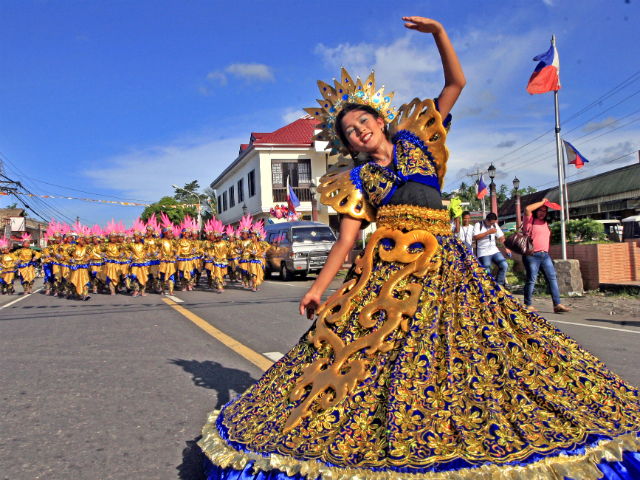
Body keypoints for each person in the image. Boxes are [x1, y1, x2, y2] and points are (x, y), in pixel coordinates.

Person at [197, 16, 640, 480]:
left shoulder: (420, 141)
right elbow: (346, 240)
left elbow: (456, 82)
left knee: (472, 349)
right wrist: (319, 290)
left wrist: (439, 35)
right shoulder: (357, 179)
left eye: (363, 120)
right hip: (385, 276)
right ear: (347, 144)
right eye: (349, 130)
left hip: (447, 268)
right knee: (383, 357)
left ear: (380, 120)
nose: (359, 130)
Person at [523, 198, 570, 313]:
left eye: (544, 211)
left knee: (552, 278)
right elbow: (527, 209)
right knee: (532, 279)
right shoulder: (529, 221)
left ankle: (557, 304)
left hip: (545, 255)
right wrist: (542, 202)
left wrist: (544, 205)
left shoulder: (545, 223)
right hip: (532, 255)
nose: (542, 213)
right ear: (536, 211)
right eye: (540, 210)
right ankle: (527, 304)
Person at [473, 212, 511, 285]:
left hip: (494, 250)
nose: (492, 225)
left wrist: (506, 248)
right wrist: (488, 232)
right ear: (486, 220)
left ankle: (499, 285)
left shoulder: (495, 226)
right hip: (483, 252)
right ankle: (487, 288)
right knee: (487, 269)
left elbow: (501, 237)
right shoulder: (478, 225)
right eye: (490, 223)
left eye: (493, 223)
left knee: (504, 265)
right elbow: (476, 237)